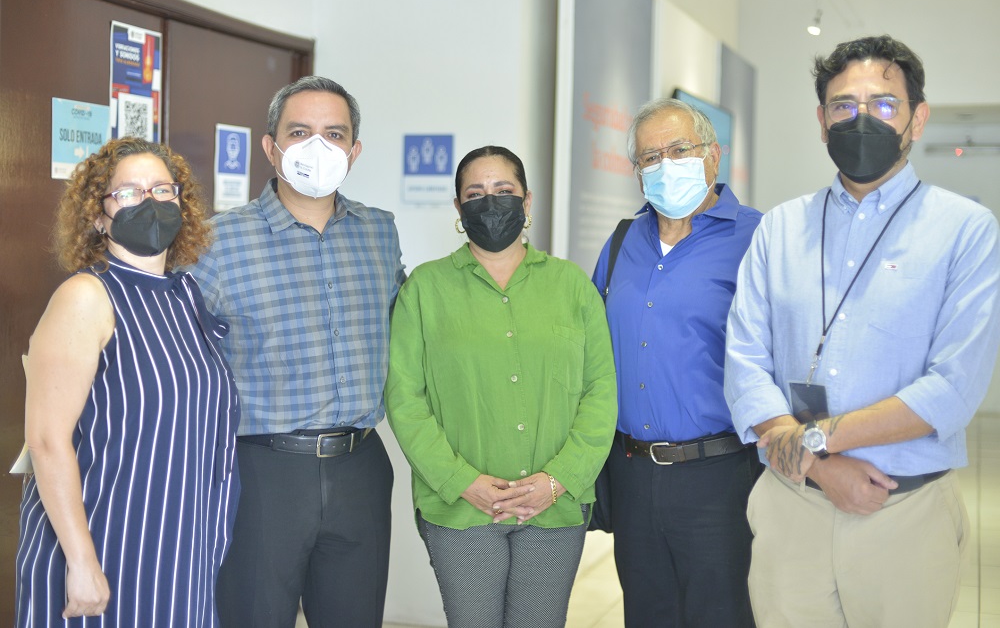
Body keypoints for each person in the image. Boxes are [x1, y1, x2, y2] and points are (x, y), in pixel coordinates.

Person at [725, 35, 1000, 627]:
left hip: (903, 512)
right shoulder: (779, 230)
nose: (861, 118)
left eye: (884, 104)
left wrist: (815, 439)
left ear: (916, 119)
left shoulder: (967, 231)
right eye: (844, 105)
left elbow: (952, 388)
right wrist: (820, 464)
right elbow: (745, 364)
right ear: (822, 122)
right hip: (792, 506)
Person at [185, 76, 405, 628]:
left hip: (360, 465)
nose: (317, 147)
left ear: (354, 150)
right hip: (262, 470)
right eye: (300, 132)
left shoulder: (379, 232)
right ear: (271, 146)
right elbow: (177, 358)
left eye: (335, 134)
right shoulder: (217, 242)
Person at [385, 145, 617, 628]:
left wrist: (558, 480)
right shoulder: (424, 290)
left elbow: (600, 391)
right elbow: (405, 399)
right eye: (475, 193)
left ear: (527, 201)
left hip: (554, 506)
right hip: (460, 508)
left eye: (503, 190)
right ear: (458, 208)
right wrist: (460, 481)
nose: (490, 202)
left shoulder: (572, 286)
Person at [15, 137, 240, 626]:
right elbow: (47, 441)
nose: (150, 202)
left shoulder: (184, 296)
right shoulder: (86, 296)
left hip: (176, 548)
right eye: (129, 193)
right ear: (98, 216)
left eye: (162, 189)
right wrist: (82, 562)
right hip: (101, 545)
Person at [591, 99, 762, 627]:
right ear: (637, 171)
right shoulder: (622, 241)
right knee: (646, 614)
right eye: (650, 157)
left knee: (722, 615)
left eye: (679, 149)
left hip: (720, 475)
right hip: (632, 474)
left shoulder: (756, 238)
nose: (665, 164)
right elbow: (590, 350)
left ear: (713, 155)